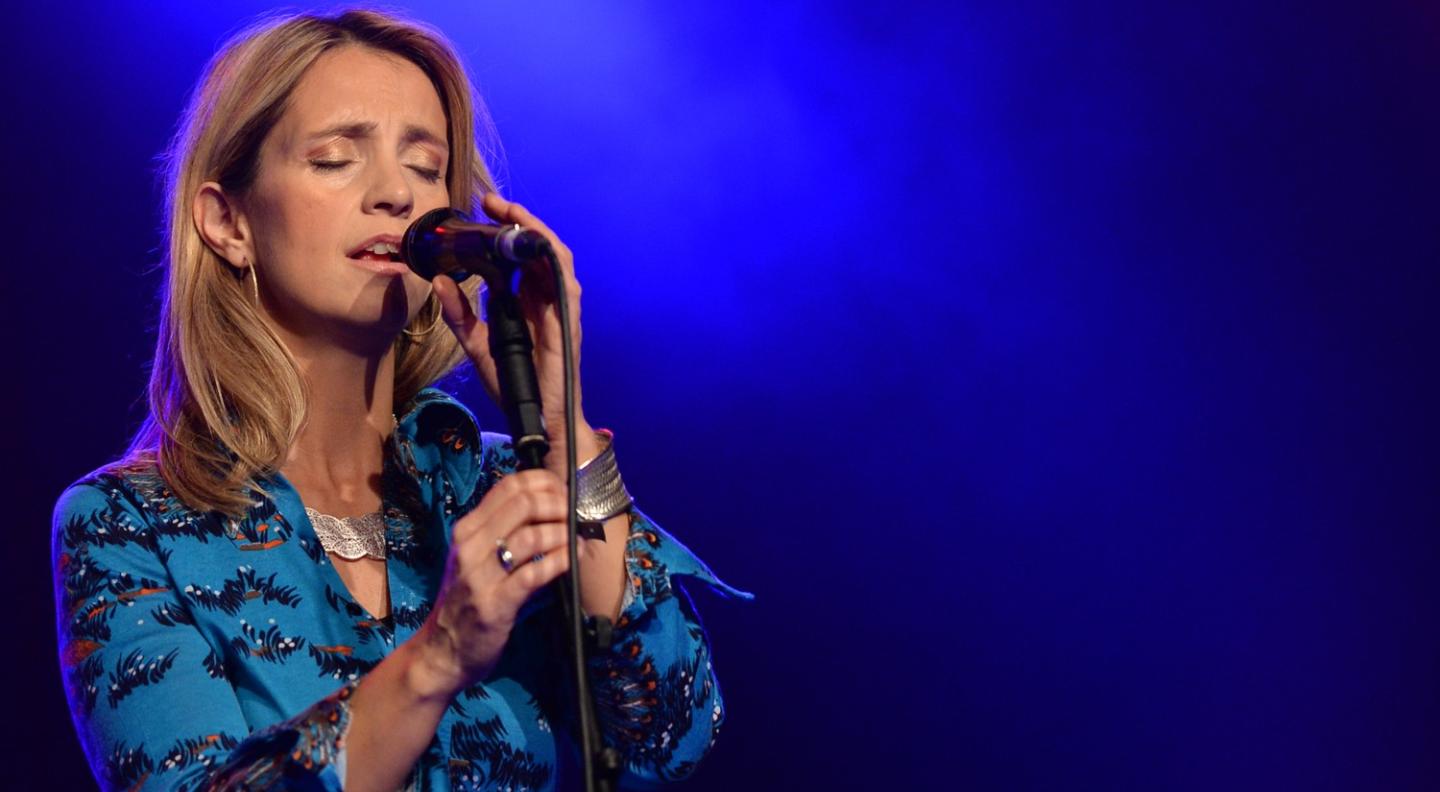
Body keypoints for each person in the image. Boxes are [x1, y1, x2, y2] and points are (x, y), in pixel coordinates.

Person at [51, 9, 746, 791]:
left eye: (425, 167)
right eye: (336, 159)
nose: (394, 194)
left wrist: (565, 425)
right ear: (228, 221)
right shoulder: (128, 524)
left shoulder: (494, 486)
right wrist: (438, 656)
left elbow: (673, 732)